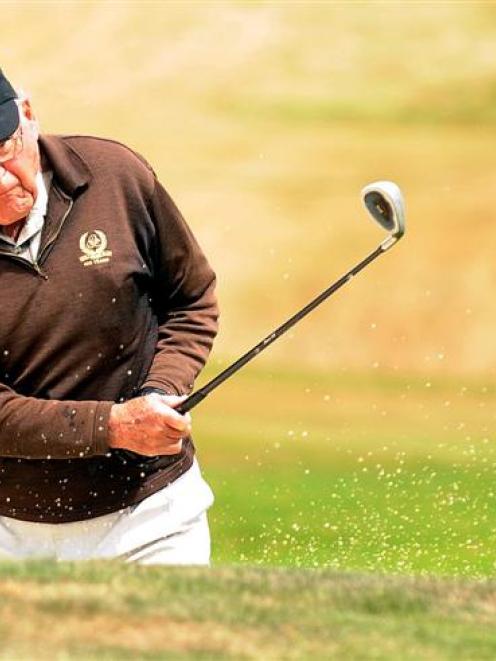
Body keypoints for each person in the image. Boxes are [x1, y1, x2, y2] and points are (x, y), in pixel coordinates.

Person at [0, 69, 219, 564]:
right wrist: (113, 426)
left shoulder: (114, 175)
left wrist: (160, 392)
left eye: (3, 149)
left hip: (155, 518)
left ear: (28, 115)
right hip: (9, 533)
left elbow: (190, 298)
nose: (0, 179)